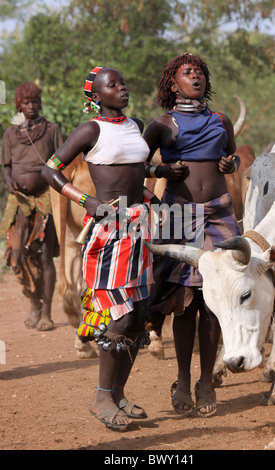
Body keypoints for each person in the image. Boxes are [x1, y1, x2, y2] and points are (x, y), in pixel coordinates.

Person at [42, 66, 155, 431]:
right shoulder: (91, 130)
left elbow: (137, 174)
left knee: (138, 317)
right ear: (96, 95)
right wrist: (85, 199)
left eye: (123, 82)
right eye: (113, 84)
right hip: (108, 229)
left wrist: (152, 195)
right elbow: (51, 168)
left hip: (139, 225)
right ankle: (101, 397)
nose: (122, 88)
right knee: (119, 315)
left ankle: (119, 393)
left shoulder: (134, 124)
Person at [144, 52, 241, 417]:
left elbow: (232, 157)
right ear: (174, 83)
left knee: (214, 302)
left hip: (219, 214)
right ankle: (183, 379)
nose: (195, 76)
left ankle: (205, 381)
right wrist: (162, 169)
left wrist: (231, 163)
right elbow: (138, 163)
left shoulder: (221, 120)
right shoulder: (162, 124)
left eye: (200, 71)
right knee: (184, 302)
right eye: (187, 72)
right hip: (179, 218)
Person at [0, 82, 63, 331]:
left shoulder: (51, 130)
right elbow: (6, 167)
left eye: (35, 102)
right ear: (18, 105)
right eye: (26, 103)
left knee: (45, 255)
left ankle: (46, 314)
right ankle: (34, 304)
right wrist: (8, 182)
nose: (31, 107)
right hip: (18, 201)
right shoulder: (10, 134)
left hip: (45, 199)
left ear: (40, 103)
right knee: (18, 254)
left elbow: (61, 160)